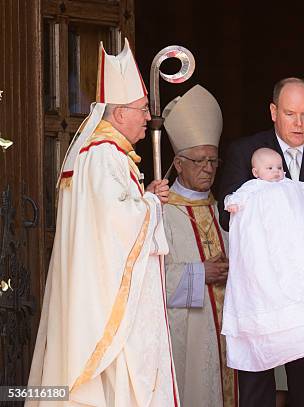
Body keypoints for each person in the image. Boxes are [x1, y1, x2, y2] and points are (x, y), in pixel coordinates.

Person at [27, 40, 177, 406]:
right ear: (120, 112)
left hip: (104, 284)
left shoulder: (103, 152)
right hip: (106, 294)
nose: (148, 117)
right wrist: (152, 204)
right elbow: (117, 222)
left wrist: (147, 198)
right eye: (142, 110)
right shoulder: (102, 155)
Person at [217, 77, 304, 407]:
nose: (298, 123)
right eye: (290, 113)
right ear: (273, 111)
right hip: (261, 293)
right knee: (256, 391)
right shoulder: (245, 152)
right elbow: (228, 213)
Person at [161, 84, 238, 407]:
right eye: (199, 161)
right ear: (178, 163)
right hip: (187, 333)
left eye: (213, 160)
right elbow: (148, 278)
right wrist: (200, 273)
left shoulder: (226, 209)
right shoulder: (161, 212)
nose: (208, 168)